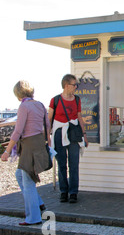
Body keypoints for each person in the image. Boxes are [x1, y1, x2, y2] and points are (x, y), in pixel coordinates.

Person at [1, 80, 50, 225]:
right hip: (39, 143)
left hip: (28, 145)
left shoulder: (24, 106)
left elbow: (18, 131)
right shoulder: (40, 105)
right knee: (20, 175)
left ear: (18, 93)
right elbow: (47, 126)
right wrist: (49, 144)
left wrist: (7, 151)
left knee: (28, 182)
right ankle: (39, 203)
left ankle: (33, 217)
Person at [48, 74, 88, 203]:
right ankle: (63, 191)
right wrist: (47, 137)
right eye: (74, 85)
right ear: (66, 86)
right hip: (59, 132)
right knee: (61, 163)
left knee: (74, 163)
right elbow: (49, 120)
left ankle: (73, 192)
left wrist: (84, 135)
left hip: (73, 132)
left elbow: (79, 117)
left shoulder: (77, 99)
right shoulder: (55, 100)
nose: (76, 87)